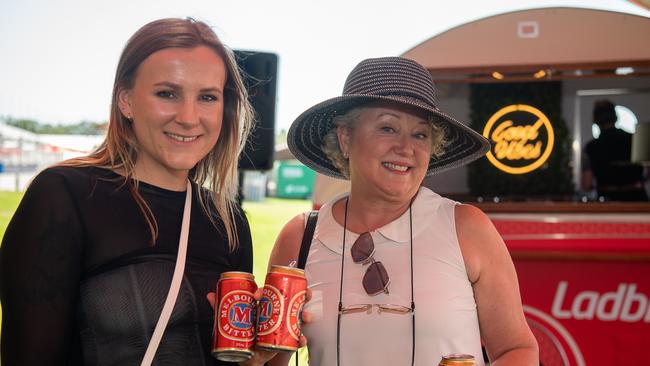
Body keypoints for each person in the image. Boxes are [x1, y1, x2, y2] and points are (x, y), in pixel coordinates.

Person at [0, 18, 274, 366]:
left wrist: (256, 358)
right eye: (167, 93)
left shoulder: (228, 221)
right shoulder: (63, 196)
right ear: (126, 101)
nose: (189, 117)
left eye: (207, 97)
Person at [267, 57, 539, 366]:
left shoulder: (465, 227)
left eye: (420, 134)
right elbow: (271, 358)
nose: (406, 147)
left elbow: (517, 350)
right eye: (388, 127)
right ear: (345, 138)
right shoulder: (301, 238)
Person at [581, 100, 648, 201]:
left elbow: (586, 184)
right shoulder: (635, 140)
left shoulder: (591, 147)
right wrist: (641, 181)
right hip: (637, 198)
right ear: (615, 117)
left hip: (608, 200)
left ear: (595, 120)